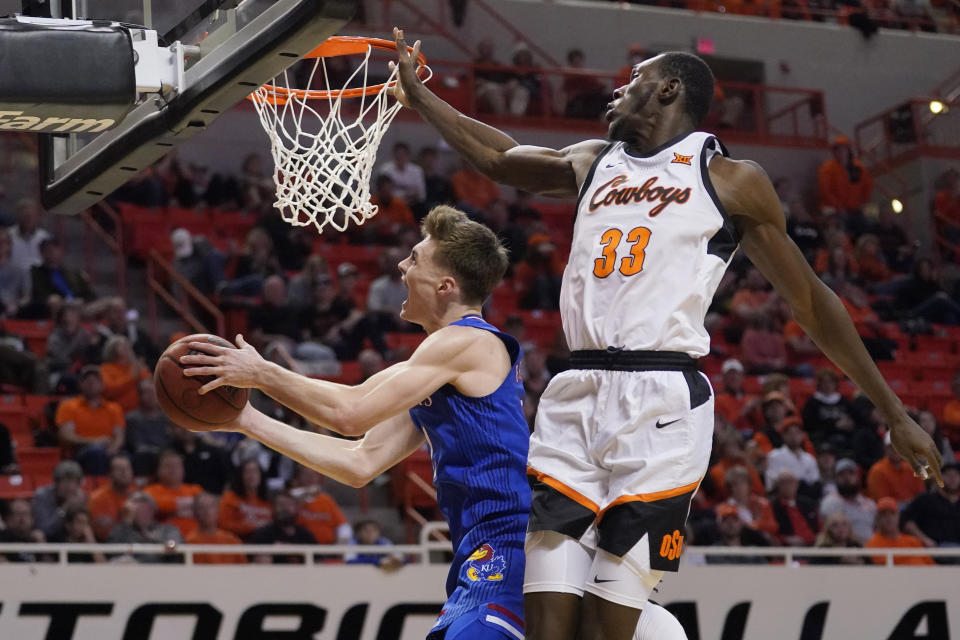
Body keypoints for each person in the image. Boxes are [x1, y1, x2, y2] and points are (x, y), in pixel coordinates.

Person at [389, 28, 941, 640]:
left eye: (633, 81)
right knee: (547, 617)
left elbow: (810, 299)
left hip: (663, 401)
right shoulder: (593, 161)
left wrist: (893, 411)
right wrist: (422, 98)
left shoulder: (730, 179)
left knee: (607, 625)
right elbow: (499, 159)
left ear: (668, 88)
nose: (617, 91)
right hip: (575, 393)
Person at [183, 206, 684, 639]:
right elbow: (361, 460)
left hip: (510, 551)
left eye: (415, 259)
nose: (401, 265)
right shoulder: (440, 364)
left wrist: (262, 373)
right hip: (485, 557)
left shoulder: (467, 342)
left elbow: (350, 411)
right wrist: (246, 420)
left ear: (445, 285)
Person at [55, 365, 125, 476]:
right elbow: (66, 436)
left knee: (127, 458)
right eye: (87, 380)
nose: (91, 382)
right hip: (80, 451)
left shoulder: (114, 408)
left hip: (109, 450)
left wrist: (113, 449)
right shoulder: (68, 406)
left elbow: (119, 435)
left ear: (102, 385)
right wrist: (94, 441)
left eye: (96, 380)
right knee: (96, 451)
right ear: (80, 385)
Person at [107, 491, 184, 563]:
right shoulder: (122, 531)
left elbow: (173, 543)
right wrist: (126, 521)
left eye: (145, 508)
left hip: (162, 570)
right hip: (130, 571)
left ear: (153, 509)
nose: (142, 512)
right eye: (137, 509)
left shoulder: (168, 530)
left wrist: (169, 544)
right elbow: (113, 548)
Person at [902, 461, 960, 554]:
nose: (952, 478)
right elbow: (906, 520)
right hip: (936, 549)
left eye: (956, 475)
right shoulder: (926, 500)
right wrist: (924, 539)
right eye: (948, 475)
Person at [143, 450, 203, 536]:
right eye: (168, 466)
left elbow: (204, 507)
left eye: (176, 466)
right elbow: (155, 505)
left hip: (194, 539)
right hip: (162, 539)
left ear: (183, 469)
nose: (173, 469)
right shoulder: (150, 491)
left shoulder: (195, 489)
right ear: (158, 470)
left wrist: (170, 510)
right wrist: (190, 506)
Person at [248, 491, 318, 564]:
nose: (285, 509)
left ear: (296, 508)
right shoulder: (262, 534)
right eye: (281, 505)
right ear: (273, 508)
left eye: (288, 505)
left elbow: (317, 559)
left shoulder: (306, 535)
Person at [819, 458, 877, 544]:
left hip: (872, 551)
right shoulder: (829, 503)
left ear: (857, 477)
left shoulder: (870, 504)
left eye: (851, 473)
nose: (847, 478)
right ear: (835, 478)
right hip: (842, 551)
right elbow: (828, 534)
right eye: (842, 474)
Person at [124, 378, 174, 478]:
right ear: (140, 396)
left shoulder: (168, 417)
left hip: (165, 455)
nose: (152, 396)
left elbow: (171, 442)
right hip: (143, 457)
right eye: (147, 392)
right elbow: (137, 445)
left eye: (154, 392)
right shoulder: (132, 418)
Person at [290, 465, 351, 545]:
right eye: (306, 474)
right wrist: (306, 492)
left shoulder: (326, 499)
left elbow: (342, 525)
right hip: (301, 548)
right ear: (298, 477)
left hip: (326, 549)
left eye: (314, 475)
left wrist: (340, 544)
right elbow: (292, 496)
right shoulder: (291, 497)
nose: (310, 478)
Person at [865, 497, 935, 566]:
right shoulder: (873, 543)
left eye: (892, 513)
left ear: (898, 516)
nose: (889, 518)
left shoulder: (913, 541)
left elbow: (931, 565)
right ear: (878, 519)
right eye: (884, 515)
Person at [217, 458, 272, 540]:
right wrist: (253, 527)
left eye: (255, 471)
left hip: (266, 545)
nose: (251, 475)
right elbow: (224, 524)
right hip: (238, 542)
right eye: (247, 472)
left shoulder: (269, 500)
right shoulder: (229, 498)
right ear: (240, 476)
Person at [185, 492, 247, 565]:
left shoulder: (232, 541)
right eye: (202, 508)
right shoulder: (190, 542)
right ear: (195, 513)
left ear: (217, 510)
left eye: (210, 507)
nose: (207, 511)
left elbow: (243, 569)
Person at [31, 460, 86, 540]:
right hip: (48, 540)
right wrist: (65, 507)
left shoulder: (80, 496)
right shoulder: (42, 496)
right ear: (56, 482)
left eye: (73, 482)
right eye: (65, 482)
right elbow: (45, 529)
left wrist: (79, 508)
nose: (70, 487)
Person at [867, 432, 925, 506]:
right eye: (891, 447)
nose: (895, 449)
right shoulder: (877, 471)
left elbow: (922, 496)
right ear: (885, 449)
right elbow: (882, 502)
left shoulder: (912, 469)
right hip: (891, 513)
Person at [88, 454, 135, 540]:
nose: (124, 472)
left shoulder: (137, 497)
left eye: (127, 468)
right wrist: (124, 521)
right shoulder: (97, 499)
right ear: (110, 474)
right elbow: (101, 534)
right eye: (119, 469)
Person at [100, 336, 151, 413]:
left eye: (127, 345)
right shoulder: (105, 368)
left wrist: (137, 364)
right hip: (115, 412)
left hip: (139, 412)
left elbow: (149, 383)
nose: (127, 347)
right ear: (112, 349)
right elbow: (109, 390)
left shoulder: (135, 367)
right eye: (122, 345)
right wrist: (131, 377)